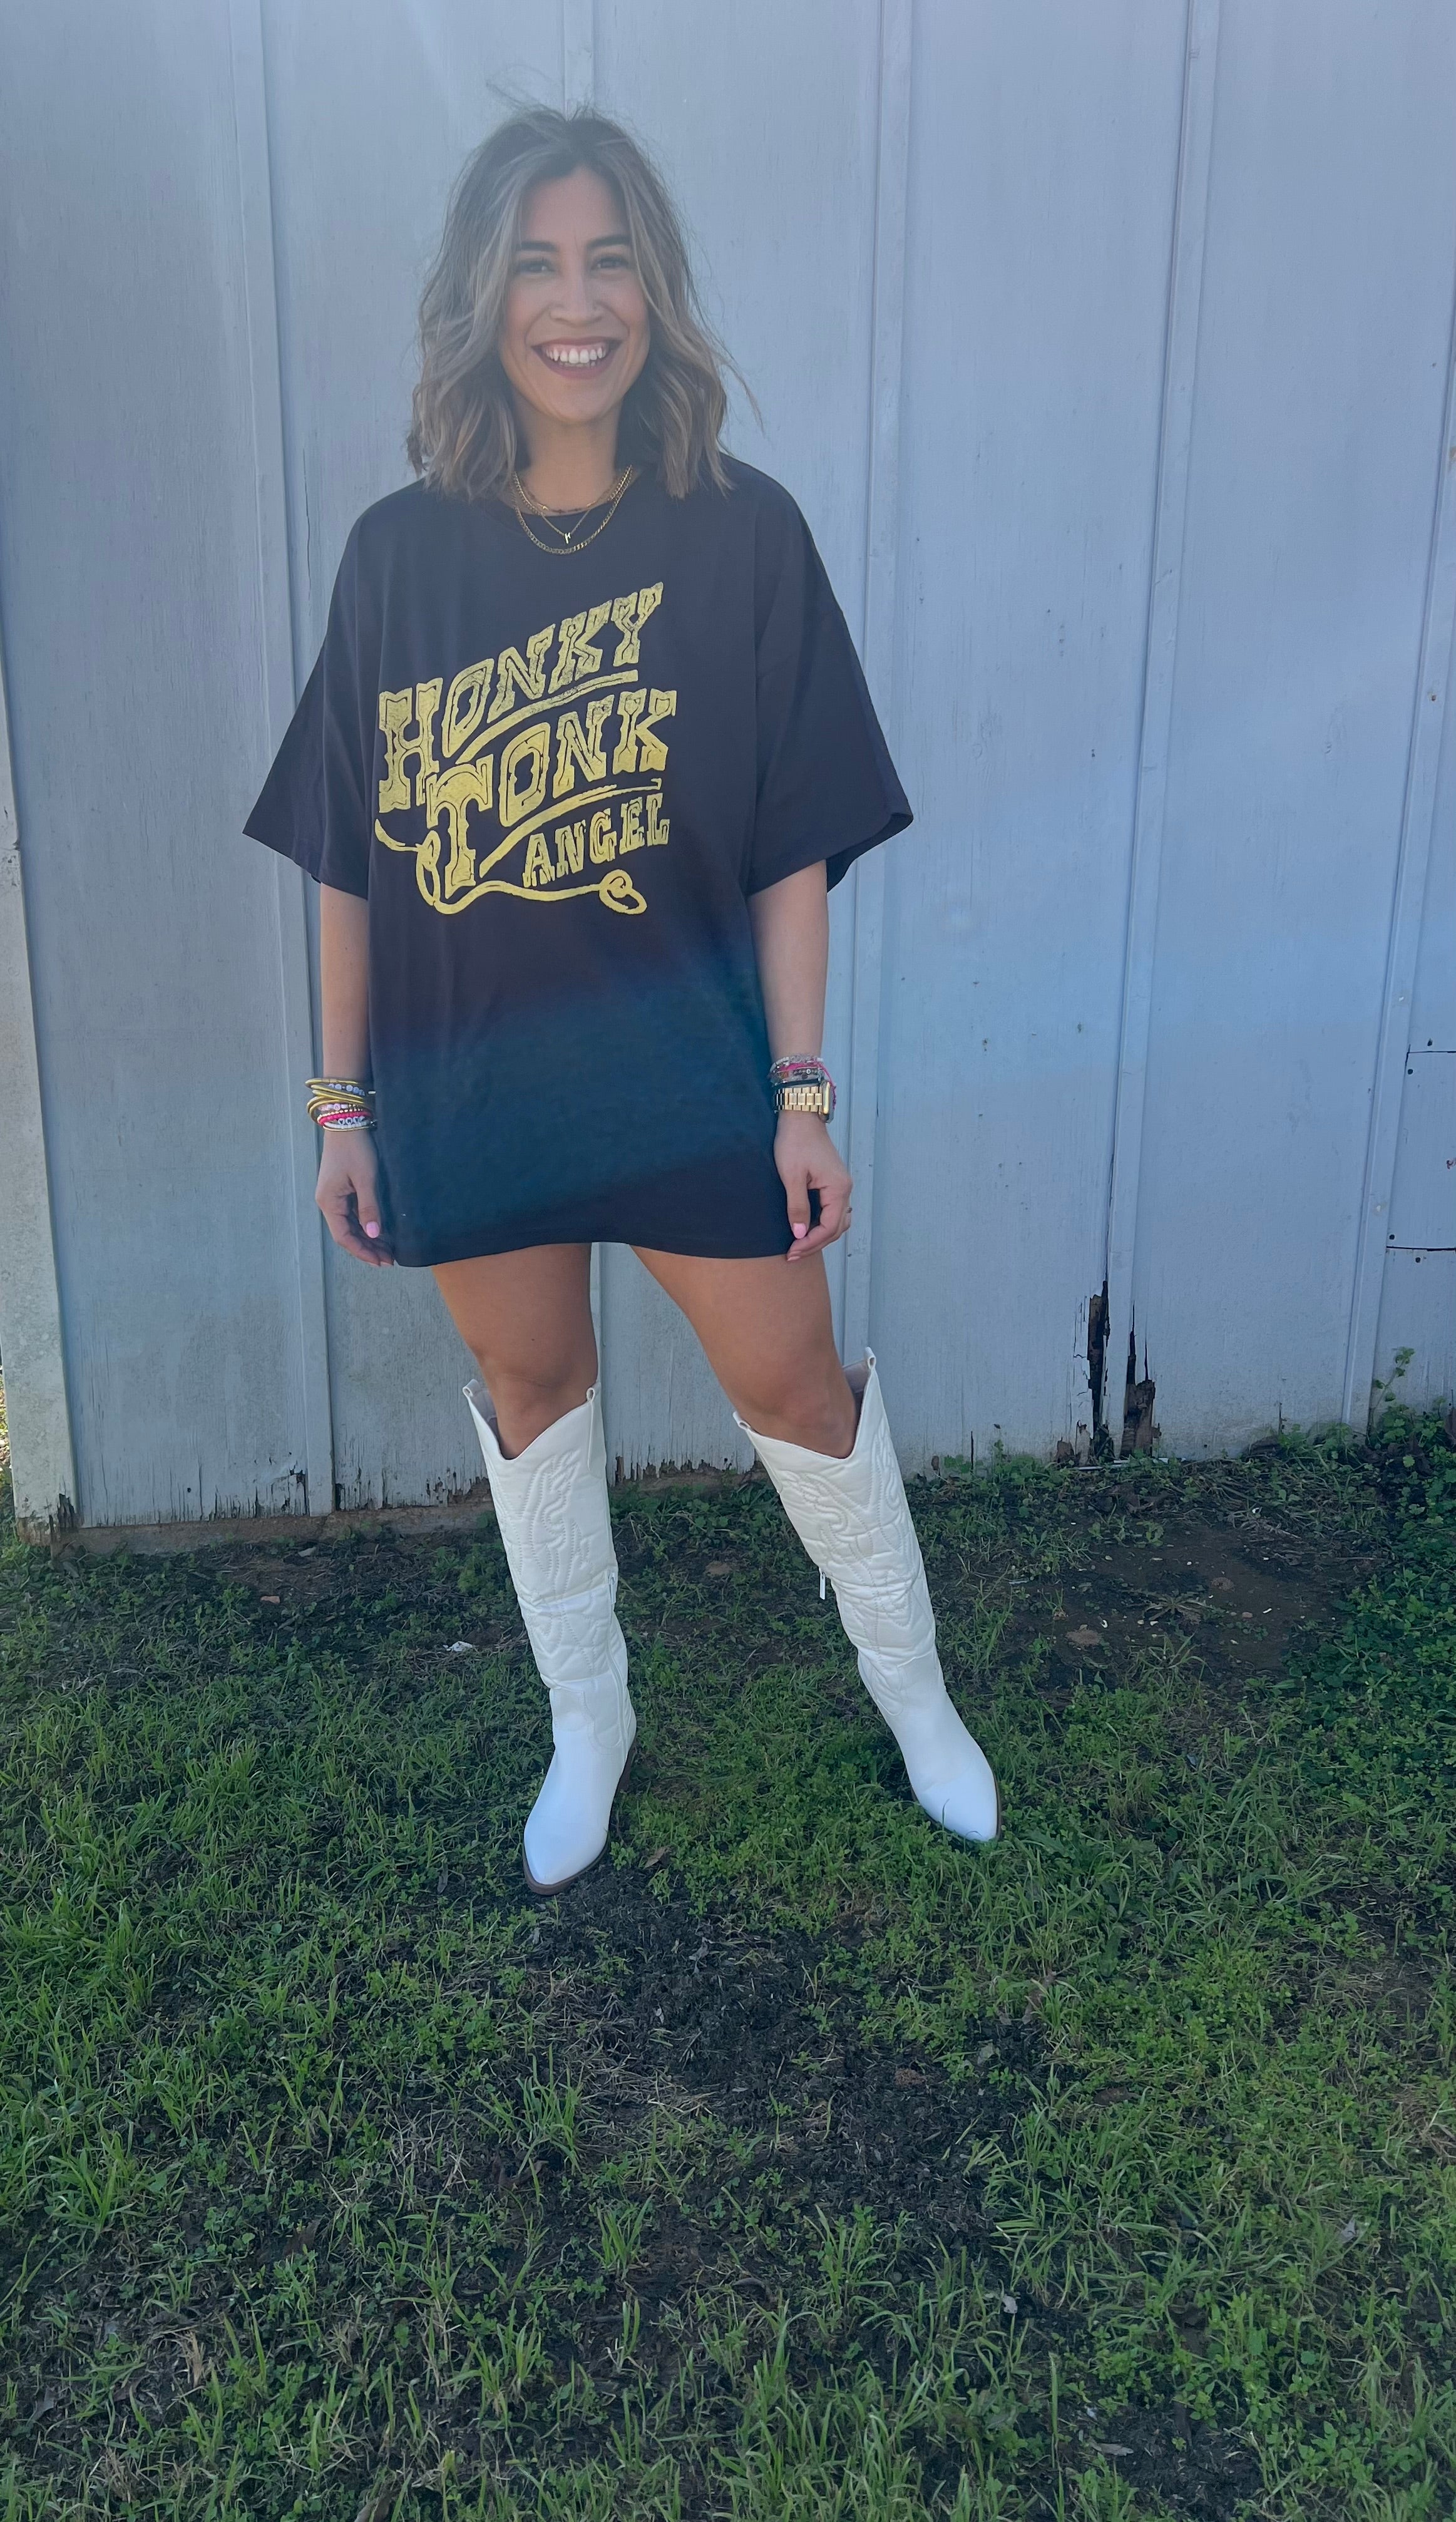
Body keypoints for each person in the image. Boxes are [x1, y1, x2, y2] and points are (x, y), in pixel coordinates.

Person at [247, 107, 998, 1894]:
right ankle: (589, 1719)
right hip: (470, 1080)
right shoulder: (397, 557)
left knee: (796, 1383)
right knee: (532, 1385)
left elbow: (793, 843)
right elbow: (348, 858)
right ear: (480, 298)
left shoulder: (742, 537)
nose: (574, 305)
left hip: (685, 1071)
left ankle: (916, 1697)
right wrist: (342, 1107)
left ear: (653, 291)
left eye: (609, 263)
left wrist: (800, 1094)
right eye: (535, 264)